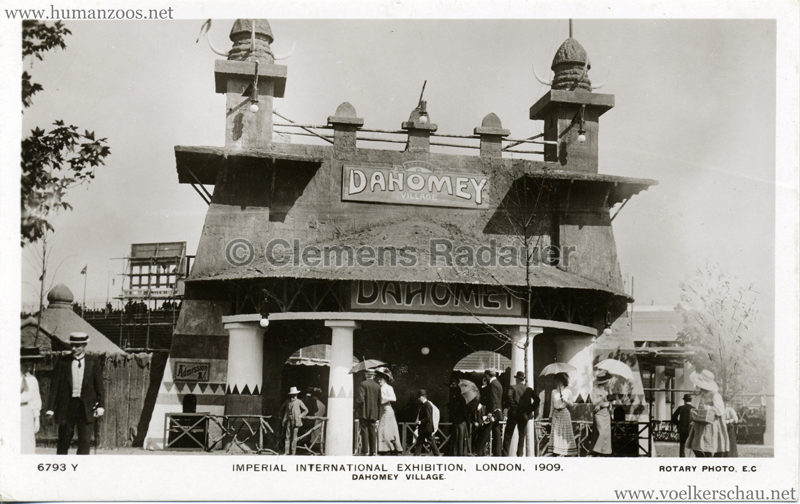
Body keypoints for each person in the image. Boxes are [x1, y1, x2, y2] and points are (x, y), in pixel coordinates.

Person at [45, 332, 104, 455]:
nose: (74, 348)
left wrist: (101, 405)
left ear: (84, 346)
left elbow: (99, 386)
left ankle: (81, 468)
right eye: (72, 345)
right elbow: (54, 386)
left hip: (86, 408)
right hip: (67, 407)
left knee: (85, 442)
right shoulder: (63, 362)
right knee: (63, 441)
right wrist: (50, 408)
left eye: (77, 346)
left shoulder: (93, 362)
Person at [685, 369, 729, 457]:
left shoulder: (715, 395)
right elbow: (695, 405)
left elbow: (720, 410)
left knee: (708, 446)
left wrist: (707, 408)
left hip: (711, 424)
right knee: (697, 447)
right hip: (699, 423)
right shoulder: (700, 395)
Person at [503, 371, 535, 456]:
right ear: (523, 380)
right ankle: (520, 454)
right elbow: (535, 401)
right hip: (523, 415)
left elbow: (509, 398)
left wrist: (514, 407)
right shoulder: (528, 389)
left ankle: (505, 455)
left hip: (513, 414)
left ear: (517, 379)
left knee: (508, 435)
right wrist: (529, 410)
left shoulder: (512, 388)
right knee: (521, 436)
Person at [476, 369, 503, 456]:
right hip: (498, 412)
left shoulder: (493, 385)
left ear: (488, 375)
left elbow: (493, 399)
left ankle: (479, 452)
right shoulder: (497, 384)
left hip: (493, 413)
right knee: (497, 432)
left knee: (485, 431)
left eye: (485, 376)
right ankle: (498, 453)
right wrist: (484, 386)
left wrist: (490, 413)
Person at [20, 348, 42, 454]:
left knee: (27, 441)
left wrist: (36, 418)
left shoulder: (32, 380)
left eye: (29, 362)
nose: (27, 365)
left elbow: (35, 399)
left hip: (26, 411)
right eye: (23, 362)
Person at [550, 372, 577, 456]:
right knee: (556, 433)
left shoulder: (568, 391)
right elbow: (551, 405)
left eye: (559, 381)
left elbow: (572, 404)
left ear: (562, 381)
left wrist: (564, 400)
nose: (557, 382)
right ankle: (556, 451)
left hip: (564, 413)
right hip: (556, 413)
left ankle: (566, 451)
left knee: (565, 433)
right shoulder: (553, 392)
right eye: (556, 381)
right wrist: (550, 415)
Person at [355, 369, 381, 455]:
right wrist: (378, 414)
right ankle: (373, 451)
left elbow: (360, 400)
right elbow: (379, 401)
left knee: (364, 431)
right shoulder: (377, 386)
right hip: (374, 413)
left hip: (364, 412)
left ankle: (365, 450)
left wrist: (355, 408)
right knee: (372, 431)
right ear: (373, 376)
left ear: (366, 375)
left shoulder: (363, 384)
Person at [376, 370, 403, 454]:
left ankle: (390, 448)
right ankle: (386, 448)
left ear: (385, 379)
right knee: (385, 429)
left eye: (380, 379)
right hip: (382, 410)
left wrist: (383, 398)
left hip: (387, 410)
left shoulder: (388, 387)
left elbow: (394, 398)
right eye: (378, 379)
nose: (379, 381)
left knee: (385, 429)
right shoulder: (379, 388)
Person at [589, 372, 613, 456]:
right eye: (608, 381)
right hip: (599, 413)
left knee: (606, 433)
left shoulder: (607, 390)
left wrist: (609, 402)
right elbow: (594, 402)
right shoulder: (595, 390)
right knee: (601, 432)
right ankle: (596, 451)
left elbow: (609, 401)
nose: (609, 383)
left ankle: (604, 452)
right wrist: (601, 399)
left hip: (606, 412)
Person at [279, 386, 308, 455]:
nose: (294, 396)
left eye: (295, 395)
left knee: (294, 437)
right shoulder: (287, 402)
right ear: (290, 395)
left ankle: (293, 452)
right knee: (287, 436)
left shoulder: (299, 402)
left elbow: (306, 410)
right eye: (292, 395)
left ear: (297, 395)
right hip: (289, 421)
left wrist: (300, 416)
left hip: (296, 422)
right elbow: (284, 411)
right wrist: (283, 420)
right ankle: (286, 451)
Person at [413, 389, 440, 456]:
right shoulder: (423, 405)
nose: (418, 399)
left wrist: (420, 422)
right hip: (424, 429)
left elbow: (428, 418)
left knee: (432, 443)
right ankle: (416, 456)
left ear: (422, 397)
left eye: (419, 397)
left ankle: (438, 455)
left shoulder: (427, 405)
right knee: (419, 443)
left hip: (426, 428)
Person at [449, 378, 469, 456]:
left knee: (456, 439)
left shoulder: (453, 399)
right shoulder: (462, 399)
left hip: (456, 421)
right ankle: (460, 454)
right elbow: (464, 411)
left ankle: (455, 454)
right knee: (461, 439)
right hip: (461, 421)